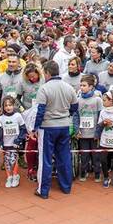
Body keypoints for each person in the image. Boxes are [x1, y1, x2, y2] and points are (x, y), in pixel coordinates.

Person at [30, 60, 79, 199]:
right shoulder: (68, 87)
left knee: (45, 158)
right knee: (64, 156)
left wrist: (35, 128)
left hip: (47, 127)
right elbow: (75, 107)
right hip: (64, 125)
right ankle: (66, 187)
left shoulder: (44, 88)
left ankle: (43, 190)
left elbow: (40, 111)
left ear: (47, 73)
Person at [76, 75, 103, 182]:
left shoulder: (97, 100)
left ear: (91, 86)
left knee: (96, 155)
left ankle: (97, 173)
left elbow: (101, 117)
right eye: (81, 85)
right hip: (83, 133)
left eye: (84, 85)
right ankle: (83, 172)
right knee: (84, 155)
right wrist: (77, 129)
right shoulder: (78, 100)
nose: (81, 87)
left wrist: (98, 133)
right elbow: (76, 116)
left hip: (94, 133)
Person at [0, 96, 26, 188]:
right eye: (6, 105)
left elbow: (23, 129)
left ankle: (15, 175)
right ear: (3, 107)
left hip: (15, 143)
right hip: (6, 143)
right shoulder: (1, 118)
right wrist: (0, 144)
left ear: (14, 105)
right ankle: (9, 177)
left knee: (14, 159)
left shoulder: (18, 116)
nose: (8, 107)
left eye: (10, 105)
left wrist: (18, 140)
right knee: (6, 161)